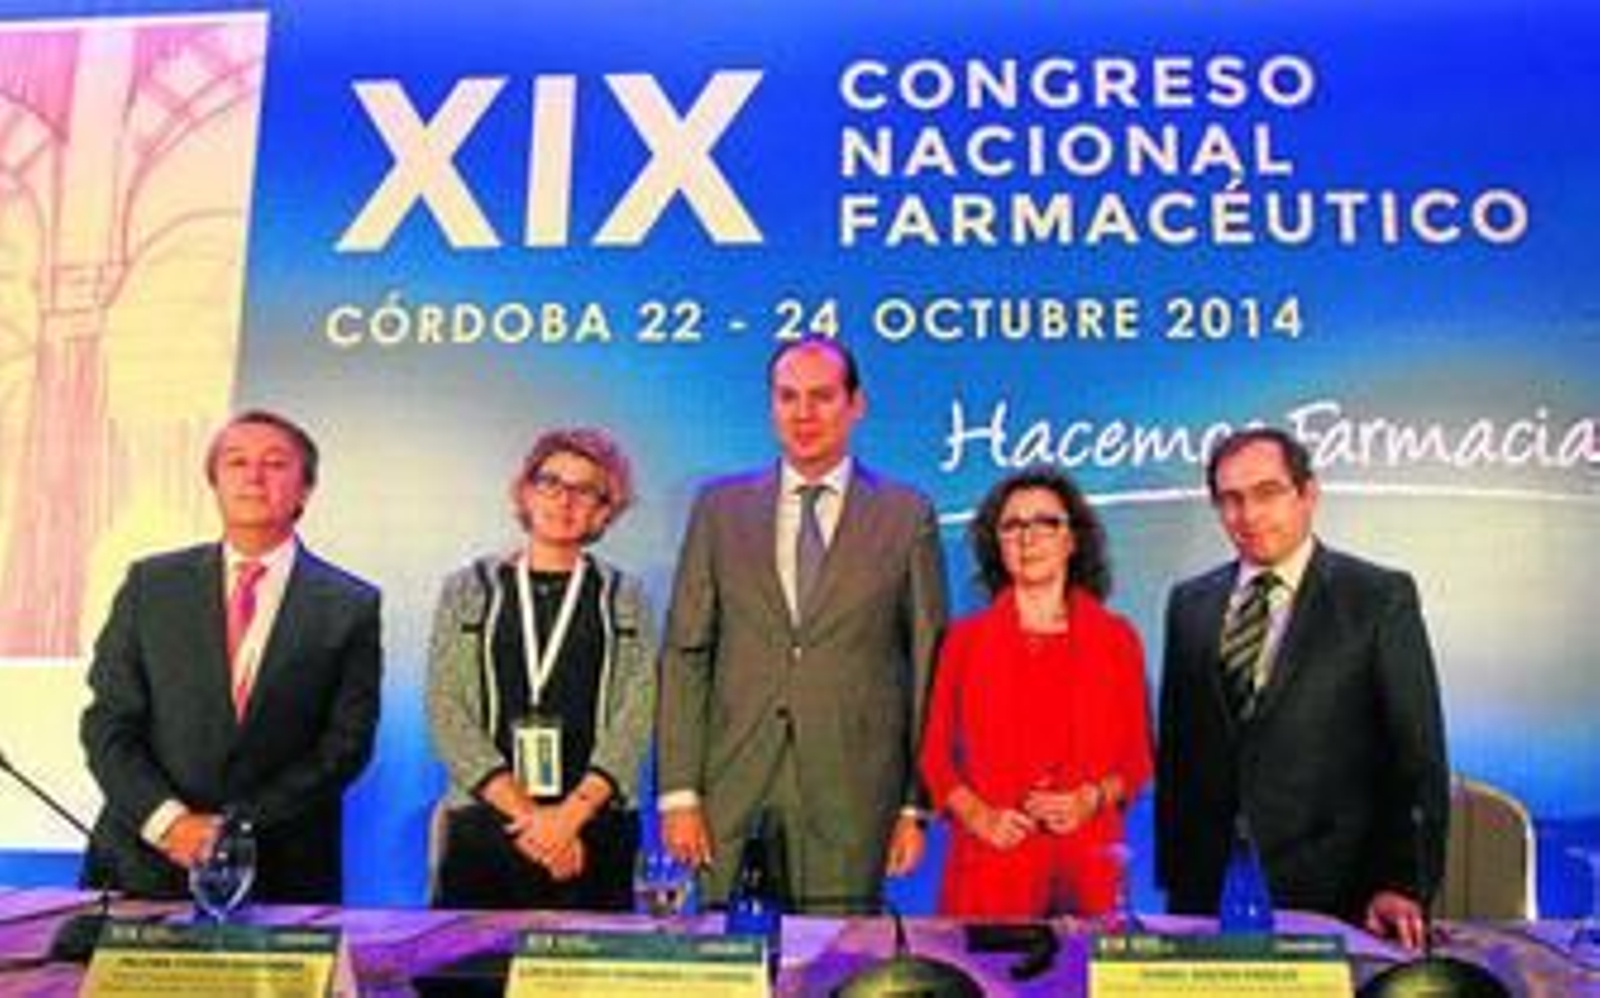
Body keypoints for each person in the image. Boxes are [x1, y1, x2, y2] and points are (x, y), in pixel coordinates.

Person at [657, 335, 948, 912]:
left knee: (834, 968)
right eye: (788, 397)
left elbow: (927, 666)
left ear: (855, 405)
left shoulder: (905, 513)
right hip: (731, 787)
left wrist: (915, 804)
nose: (803, 414)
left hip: (853, 794)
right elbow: (686, 653)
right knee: (726, 969)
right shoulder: (719, 508)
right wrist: (678, 792)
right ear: (771, 406)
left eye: (821, 397)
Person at [1156, 426, 1449, 949]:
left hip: (1338, 893)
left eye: (1267, 493)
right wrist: (1176, 879)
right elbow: (1178, 752)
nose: (1248, 515)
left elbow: (1417, 755)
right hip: (1208, 894)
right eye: (1231, 500)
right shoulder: (1189, 604)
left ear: (1308, 494)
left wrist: (1404, 882)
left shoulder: (1378, 598)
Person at [80, 409, 381, 903]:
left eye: (275, 463)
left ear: (306, 489)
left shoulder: (350, 605)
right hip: (143, 865)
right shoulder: (150, 586)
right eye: (236, 462)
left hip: (280, 870)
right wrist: (171, 823)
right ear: (214, 482)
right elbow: (109, 724)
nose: (254, 476)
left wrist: (234, 828)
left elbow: (345, 746)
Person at [426, 428, 655, 910]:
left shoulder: (626, 597)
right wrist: (533, 819)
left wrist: (568, 818)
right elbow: (446, 709)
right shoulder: (468, 588)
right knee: (474, 980)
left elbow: (639, 712)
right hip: (489, 823)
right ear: (525, 491)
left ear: (604, 509)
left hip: (593, 826)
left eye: (584, 490)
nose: (564, 500)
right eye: (551, 482)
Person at [920, 468, 1152, 917]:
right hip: (990, 869)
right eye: (1012, 526)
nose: (1028, 538)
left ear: (1072, 539)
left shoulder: (1116, 638)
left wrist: (1091, 799)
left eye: (1045, 523)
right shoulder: (963, 642)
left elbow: (1138, 760)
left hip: (1088, 870)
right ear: (997, 545)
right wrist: (978, 816)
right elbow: (934, 758)